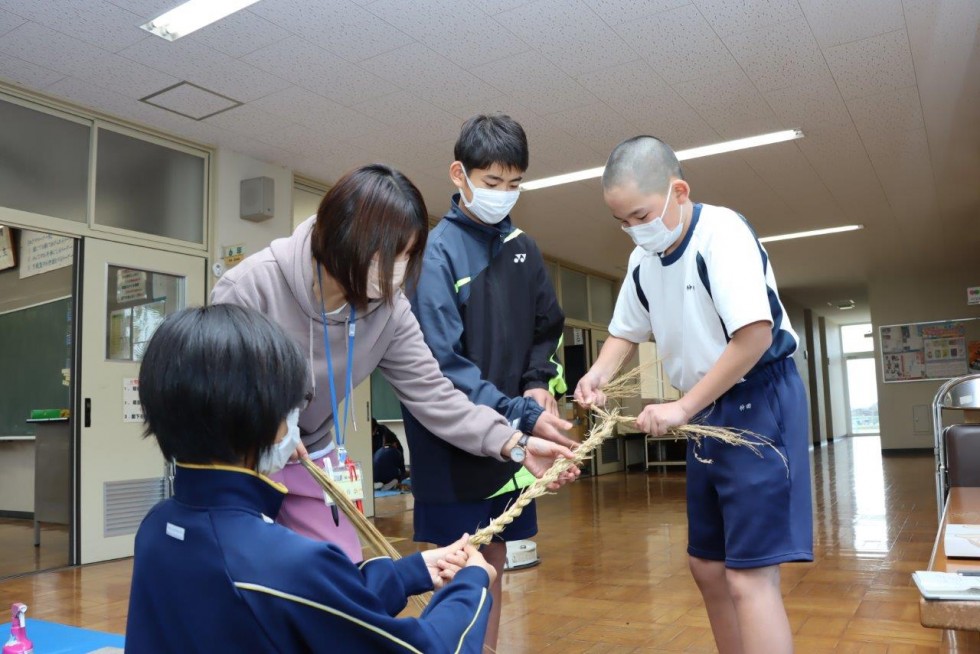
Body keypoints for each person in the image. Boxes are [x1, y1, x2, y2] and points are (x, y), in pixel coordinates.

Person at [212, 164, 577, 563]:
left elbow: (436, 396)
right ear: (341, 240)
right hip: (237, 457)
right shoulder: (250, 288)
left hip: (310, 457)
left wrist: (515, 444)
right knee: (240, 570)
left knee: (337, 574)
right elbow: (219, 395)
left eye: (406, 254)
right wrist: (270, 428)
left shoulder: (390, 310)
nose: (397, 271)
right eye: (387, 255)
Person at [126, 304, 496, 653]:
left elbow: (314, 602)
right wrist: (471, 586)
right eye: (290, 410)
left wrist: (410, 572)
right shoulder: (281, 560)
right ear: (258, 418)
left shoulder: (157, 528)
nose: (294, 426)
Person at [575, 136, 812, 654]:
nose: (633, 229)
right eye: (622, 220)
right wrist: (597, 373)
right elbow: (625, 330)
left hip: (757, 397)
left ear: (678, 191)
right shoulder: (645, 256)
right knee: (707, 564)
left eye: (639, 214)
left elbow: (754, 335)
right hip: (705, 407)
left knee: (748, 576)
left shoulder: (721, 233)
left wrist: (682, 406)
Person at [404, 114, 568, 651]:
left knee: (494, 563)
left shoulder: (524, 248)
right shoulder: (437, 253)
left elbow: (548, 327)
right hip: (452, 439)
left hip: (509, 438)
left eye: (514, 184)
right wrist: (518, 413)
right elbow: (441, 364)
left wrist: (537, 382)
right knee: (458, 564)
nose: (504, 194)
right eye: (492, 183)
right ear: (460, 174)